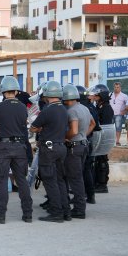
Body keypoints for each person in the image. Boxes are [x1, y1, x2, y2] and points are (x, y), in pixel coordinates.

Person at [0, 77, 32, 224]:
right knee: (22, 180)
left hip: (3, 147)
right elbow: (24, 125)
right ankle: (28, 214)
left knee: (2, 180)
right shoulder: (23, 107)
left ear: (3, 91)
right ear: (16, 91)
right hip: (20, 147)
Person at [30, 81, 69, 222]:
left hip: (49, 148)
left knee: (49, 180)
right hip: (61, 147)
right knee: (60, 180)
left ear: (47, 93)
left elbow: (33, 127)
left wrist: (41, 128)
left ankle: (56, 212)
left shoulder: (48, 109)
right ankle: (66, 211)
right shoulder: (63, 109)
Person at [62, 84, 95, 219]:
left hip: (74, 147)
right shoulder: (84, 108)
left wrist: (66, 138)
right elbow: (93, 124)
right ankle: (79, 206)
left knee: (75, 179)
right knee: (78, 176)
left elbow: (74, 130)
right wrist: (83, 135)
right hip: (83, 145)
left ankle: (79, 209)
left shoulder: (72, 111)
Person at [88, 84, 114, 194]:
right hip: (98, 137)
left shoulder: (107, 108)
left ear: (102, 95)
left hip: (103, 137)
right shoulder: (99, 106)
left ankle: (102, 184)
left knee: (102, 160)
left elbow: (105, 126)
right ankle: (96, 182)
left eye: (97, 95)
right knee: (97, 160)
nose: (95, 97)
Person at [77, 85, 100, 204]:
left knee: (81, 170)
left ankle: (83, 197)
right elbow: (95, 124)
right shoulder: (90, 106)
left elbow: (93, 124)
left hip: (83, 141)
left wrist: (83, 135)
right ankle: (90, 196)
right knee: (87, 169)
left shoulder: (82, 107)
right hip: (88, 140)